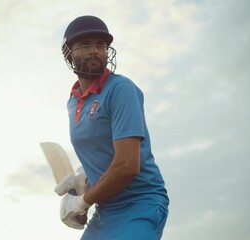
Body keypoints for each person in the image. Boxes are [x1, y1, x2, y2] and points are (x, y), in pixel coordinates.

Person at [55, 15, 169, 239]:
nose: (95, 50)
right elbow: (101, 149)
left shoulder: (121, 89)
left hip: (140, 204)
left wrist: (82, 202)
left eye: (101, 44)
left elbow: (127, 165)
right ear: (68, 52)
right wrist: (84, 178)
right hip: (105, 210)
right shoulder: (73, 101)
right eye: (85, 44)